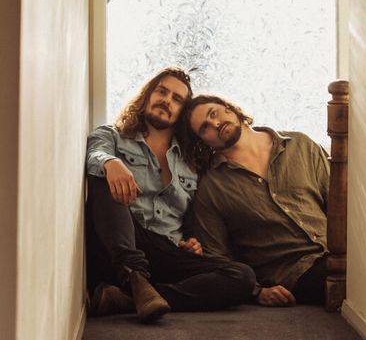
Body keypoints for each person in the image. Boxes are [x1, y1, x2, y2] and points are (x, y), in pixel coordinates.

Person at [86, 68, 256, 323]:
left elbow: (192, 219)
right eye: (162, 92)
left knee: (242, 277)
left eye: (177, 99)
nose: (167, 100)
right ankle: (134, 276)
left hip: (167, 252)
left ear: (182, 113)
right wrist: (111, 162)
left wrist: (190, 241)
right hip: (122, 244)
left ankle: (128, 298)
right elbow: (95, 153)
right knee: (105, 178)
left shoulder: (192, 161)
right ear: (147, 95)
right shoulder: (112, 135)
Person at [184, 94, 330, 307]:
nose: (215, 124)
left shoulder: (300, 144)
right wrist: (257, 292)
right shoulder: (212, 188)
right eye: (205, 128)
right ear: (203, 141)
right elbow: (217, 258)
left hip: (340, 253)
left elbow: (341, 205)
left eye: (214, 113)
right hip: (296, 273)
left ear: (229, 107)